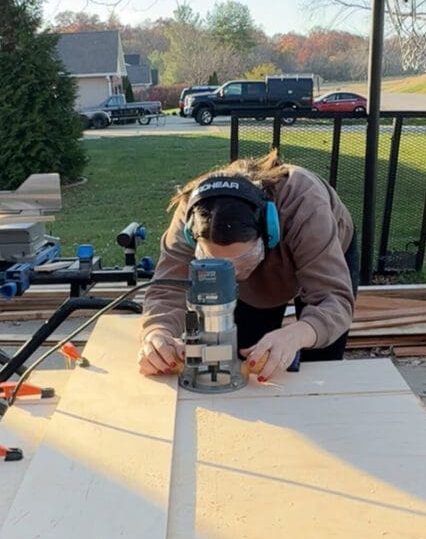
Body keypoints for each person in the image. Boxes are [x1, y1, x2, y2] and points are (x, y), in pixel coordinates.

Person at [138, 149, 359, 382]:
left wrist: (296, 335)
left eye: (240, 262)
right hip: (261, 256)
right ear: (193, 237)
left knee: (320, 365)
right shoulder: (191, 214)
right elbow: (168, 288)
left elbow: (333, 300)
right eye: (215, 263)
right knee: (247, 355)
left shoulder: (306, 206)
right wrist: (157, 332)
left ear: (269, 232)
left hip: (321, 249)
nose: (231, 276)